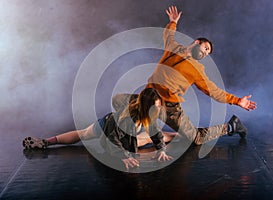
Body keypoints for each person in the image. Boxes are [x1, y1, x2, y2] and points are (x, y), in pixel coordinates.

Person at [112, 6, 257, 146]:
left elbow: (213, 91)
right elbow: (168, 35)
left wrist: (237, 100)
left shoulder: (197, 70)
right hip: (148, 99)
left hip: (170, 109)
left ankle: (232, 126)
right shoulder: (173, 48)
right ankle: (132, 129)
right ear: (197, 42)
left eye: (207, 53)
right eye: (206, 48)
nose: (205, 53)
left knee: (196, 138)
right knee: (117, 100)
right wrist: (173, 22)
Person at [22, 88, 173, 170]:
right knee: (84, 134)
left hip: (117, 128)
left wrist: (161, 150)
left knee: (152, 136)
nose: (158, 110)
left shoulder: (150, 114)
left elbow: (155, 133)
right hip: (108, 130)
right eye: (155, 107)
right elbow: (112, 138)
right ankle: (44, 142)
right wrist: (124, 155)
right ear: (145, 106)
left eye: (159, 106)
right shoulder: (125, 117)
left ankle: (178, 136)